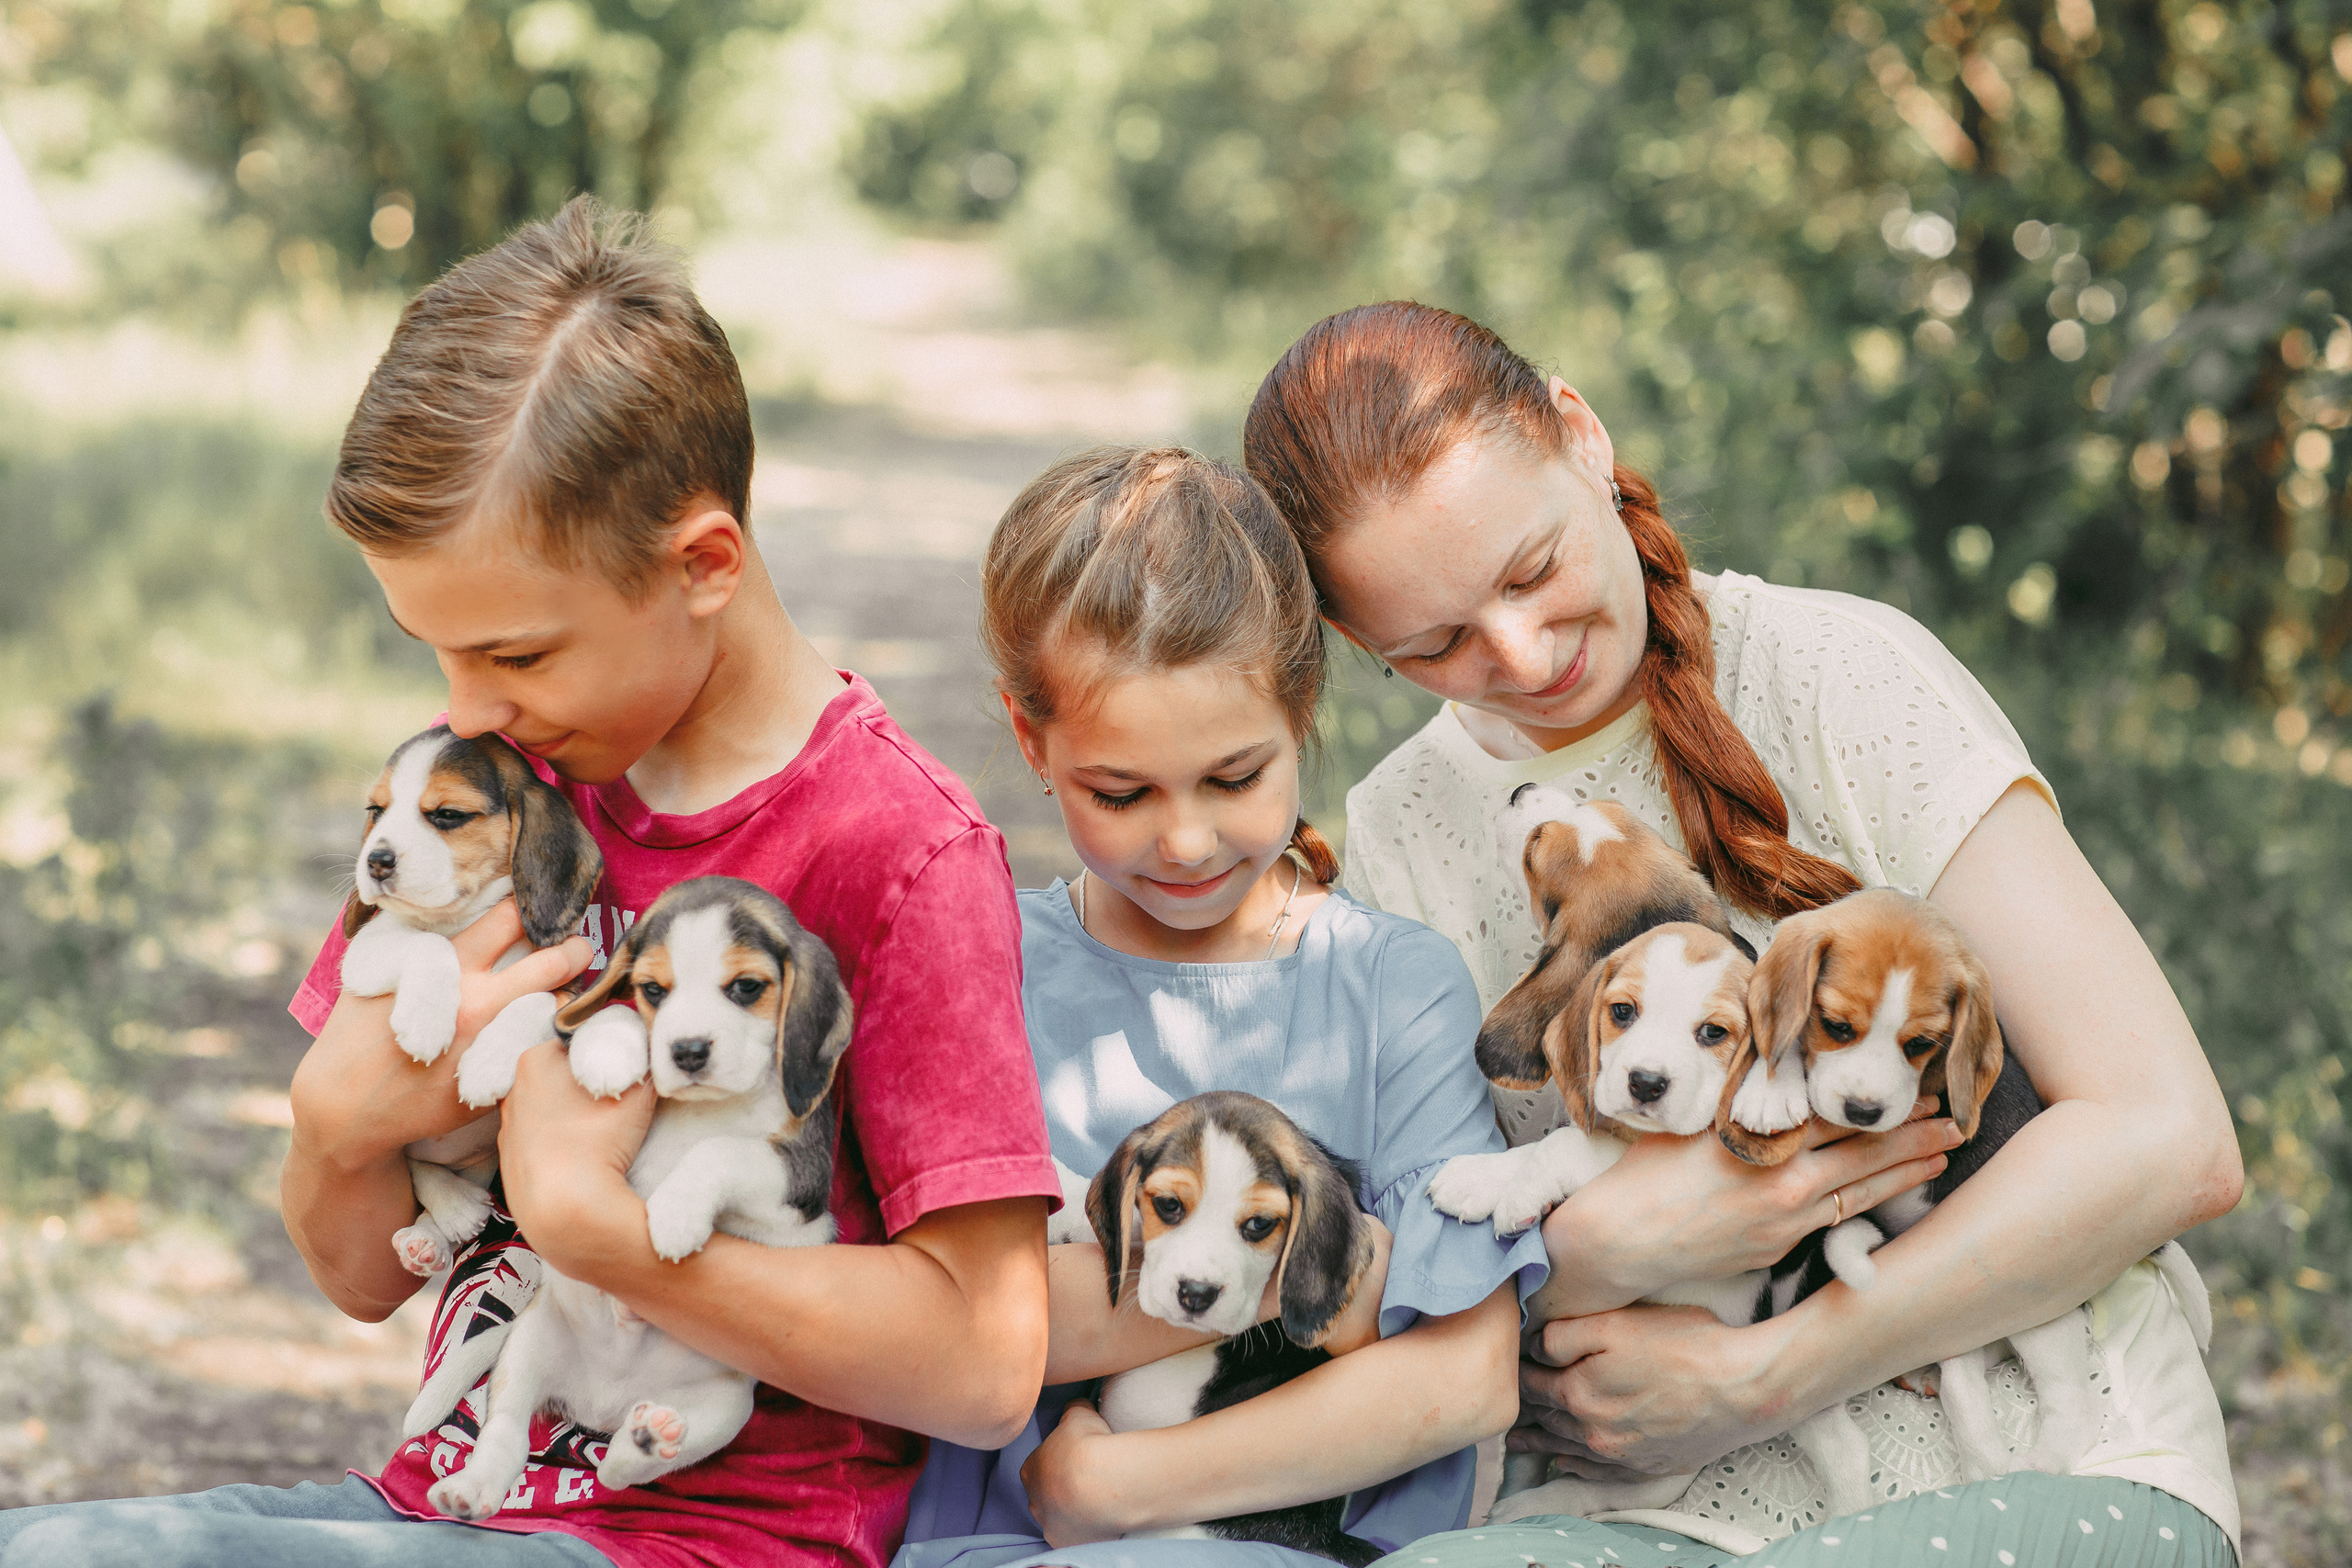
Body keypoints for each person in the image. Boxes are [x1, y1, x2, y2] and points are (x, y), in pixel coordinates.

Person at [0, 197, 1060, 1568]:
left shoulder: (896, 847)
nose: (470, 711)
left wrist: (597, 1230)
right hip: (448, 1500)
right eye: (434, 654)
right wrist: (332, 1125)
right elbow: (363, 1272)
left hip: (705, 1539)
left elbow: (985, 1358)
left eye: (516, 654)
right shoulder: (497, 796)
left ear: (703, 563)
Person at [1235, 301, 2245, 1564]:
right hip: (1651, 1515)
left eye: (1533, 567)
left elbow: (2170, 1136)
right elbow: (1403, 1271)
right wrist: (1590, 1248)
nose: (1521, 650)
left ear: (1582, 436)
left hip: (2050, 1454)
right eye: (1433, 643)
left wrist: (1772, 1371)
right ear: (1349, 638)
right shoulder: (1401, 829)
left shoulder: (1843, 677)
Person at [895, 447, 1547, 1568]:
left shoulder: (1393, 987)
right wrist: (1316, 1268)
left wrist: (1116, 1481)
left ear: (1300, 711)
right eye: (1120, 792)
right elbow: (947, 1341)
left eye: (1235, 778)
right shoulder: (984, 962)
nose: (1186, 841)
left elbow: (1462, 1374)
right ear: (1028, 740)